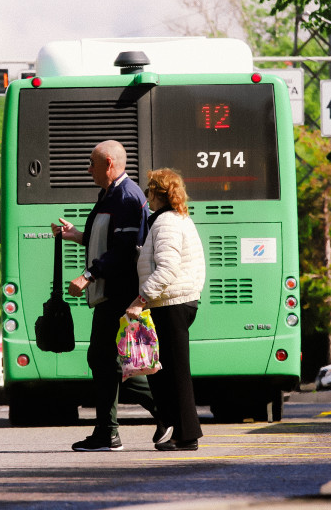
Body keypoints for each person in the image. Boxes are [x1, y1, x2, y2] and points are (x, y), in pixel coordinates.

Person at [52, 140, 170, 452]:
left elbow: (125, 251)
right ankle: (143, 420)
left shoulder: (127, 196)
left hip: (120, 292)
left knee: (104, 359)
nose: (87, 170)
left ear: (108, 163)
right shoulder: (109, 194)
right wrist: (77, 235)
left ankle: (113, 431)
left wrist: (88, 276)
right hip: (110, 292)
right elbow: (105, 240)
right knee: (109, 360)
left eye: (91, 164)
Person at [126, 168, 205, 451]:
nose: (146, 196)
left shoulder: (166, 223)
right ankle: (179, 430)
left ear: (155, 193)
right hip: (176, 301)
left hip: (172, 303)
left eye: (148, 190)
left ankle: (187, 435)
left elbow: (168, 268)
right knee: (168, 372)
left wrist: (141, 299)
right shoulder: (173, 220)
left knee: (176, 373)